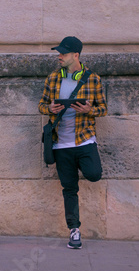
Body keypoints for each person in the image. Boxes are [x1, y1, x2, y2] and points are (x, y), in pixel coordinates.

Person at [38, 36, 107, 249]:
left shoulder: (92, 79)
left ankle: (81, 167)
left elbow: (103, 109)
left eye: (64, 53)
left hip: (84, 140)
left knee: (94, 174)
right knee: (69, 189)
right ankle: (74, 230)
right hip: (61, 145)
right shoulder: (52, 79)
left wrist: (89, 110)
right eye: (59, 53)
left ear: (76, 55)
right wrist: (49, 109)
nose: (59, 56)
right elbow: (41, 104)